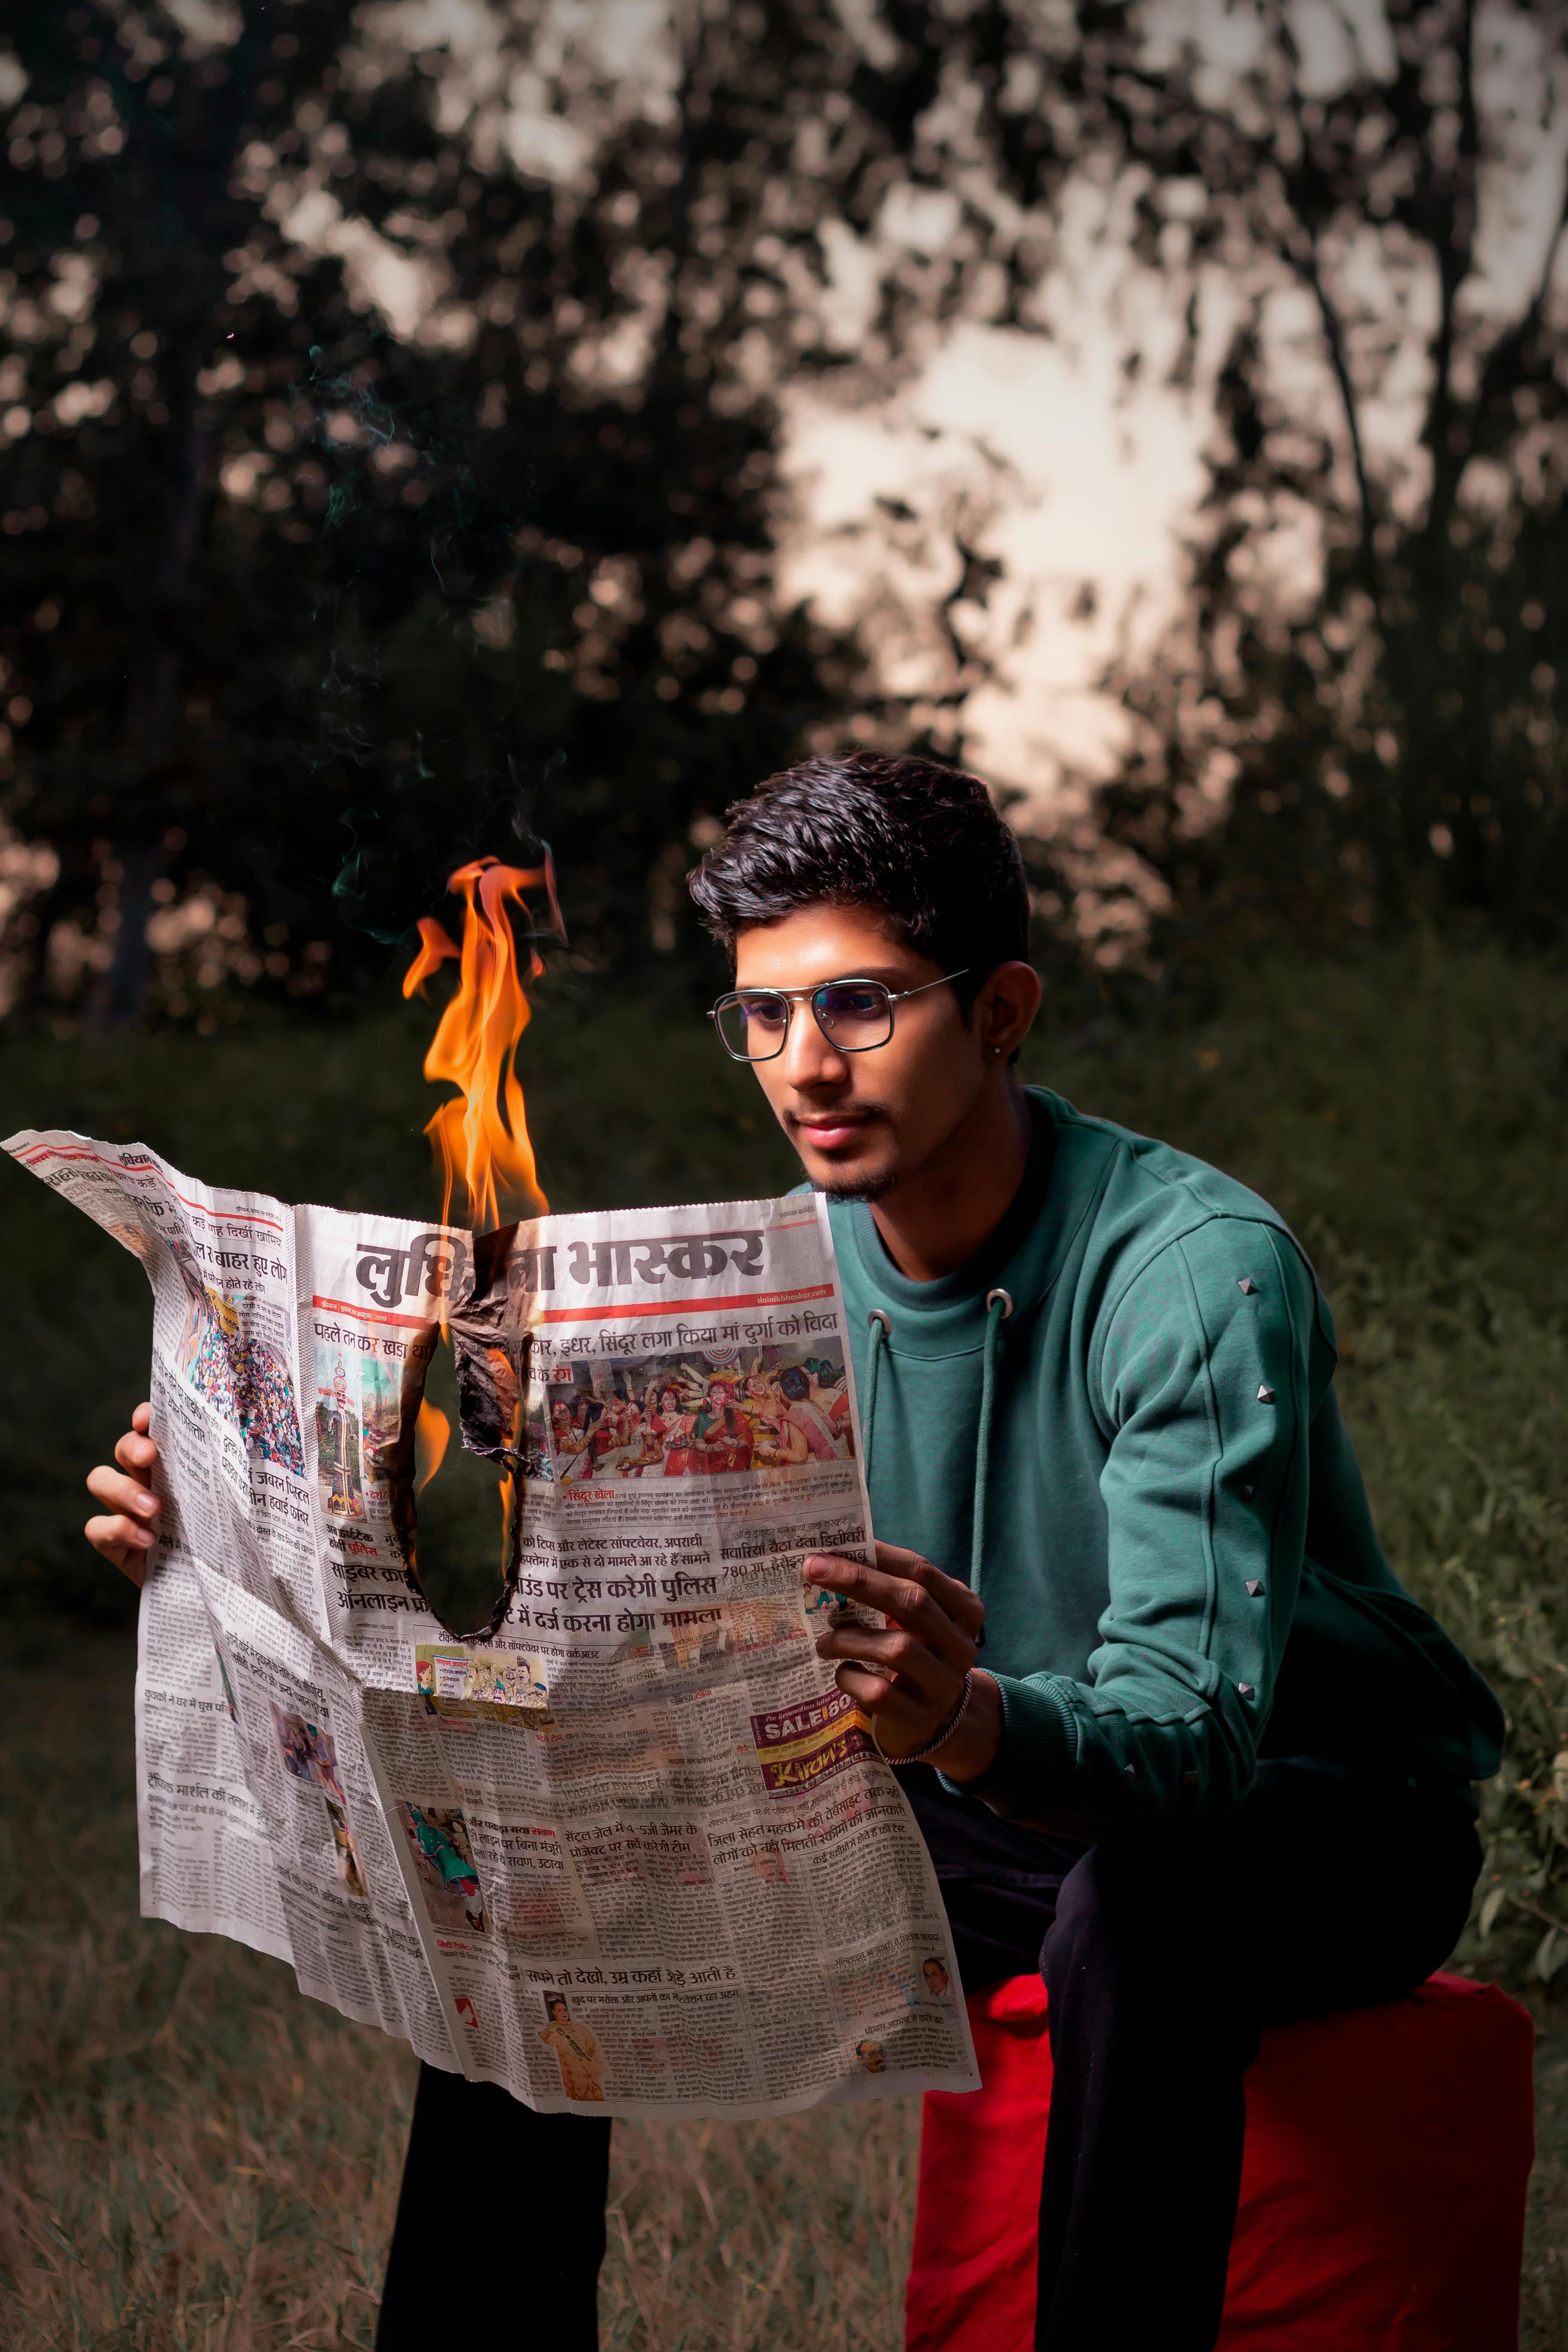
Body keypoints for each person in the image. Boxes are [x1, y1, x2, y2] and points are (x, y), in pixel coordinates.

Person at [84, 750, 1502, 2352]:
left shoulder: (1192, 1273)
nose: (803, 1065)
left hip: (1300, 1804)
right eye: (762, 1016)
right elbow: (607, 1639)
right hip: (976, 1779)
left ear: (1004, 1010)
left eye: (860, 1006)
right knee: (542, 1877)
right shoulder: (775, 1275)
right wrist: (230, 1546)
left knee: (1138, 1911)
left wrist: (961, 1720)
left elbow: (1189, 1744)